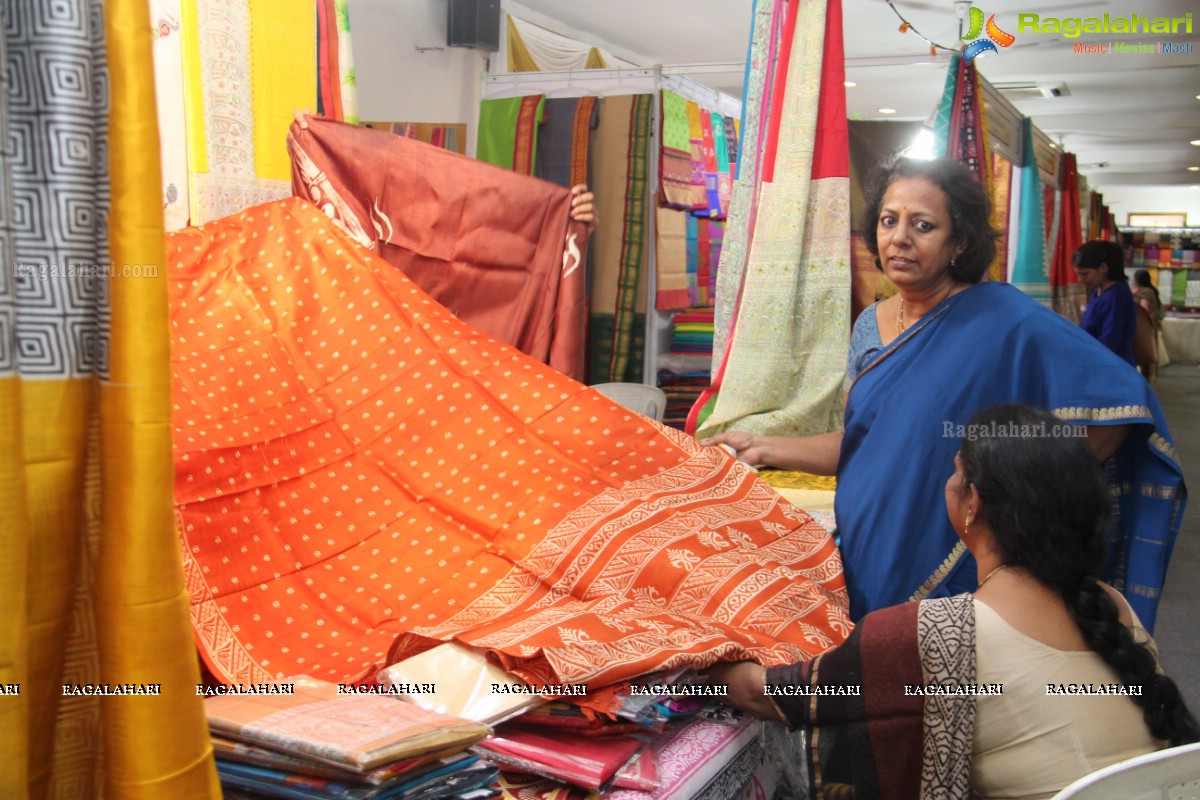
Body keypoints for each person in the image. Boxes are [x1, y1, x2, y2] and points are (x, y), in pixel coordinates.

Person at [700, 157, 1184, 628]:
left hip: (955, 554)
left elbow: (1125, 400)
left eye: (923, 225)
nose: (900, 238)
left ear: (961, 241)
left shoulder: (1004, 320)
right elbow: (865, 443)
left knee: (941, 692)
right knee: (877, 685)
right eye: (889, 221)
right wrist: (763, 446)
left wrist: (1018, 497)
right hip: (870, 543)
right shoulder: (871, 325)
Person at [709, 404, 1199, 800]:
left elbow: (771, 693)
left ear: (974, 503)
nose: (948, 482)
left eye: (956, 472)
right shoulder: (1110, 605)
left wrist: (691, 669)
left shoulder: (937, 633)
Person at [291, 110, 597, 228]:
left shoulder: (458, 211)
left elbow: (508, 237)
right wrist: (309, 139)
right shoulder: (355, 210)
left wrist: (563, 218)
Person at [1072, 240, 1137, 365]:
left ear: (1103, 268)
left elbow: (1109, 342)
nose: (1080, 279)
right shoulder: (1098, 292)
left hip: (1111, 367)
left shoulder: (1115, 297)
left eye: (1085, 274)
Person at [1133, 268, 1166, 379]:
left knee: (1144, 356)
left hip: (1144, 329)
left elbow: (1143, 311)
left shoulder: (1145, 293)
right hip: (1151, 328)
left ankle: (1146, 379)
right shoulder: (1152, 291)